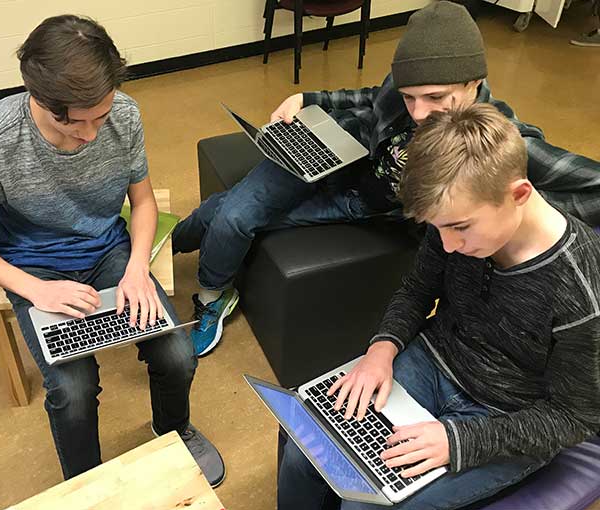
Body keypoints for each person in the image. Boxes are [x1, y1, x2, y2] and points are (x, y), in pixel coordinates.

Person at [172, 1, 600, 357]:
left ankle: (184, 262)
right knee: (233, 212)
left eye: (436, 99)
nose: (417, 112)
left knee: (231, 214)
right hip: (344, 150)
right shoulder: (406, 82)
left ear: (475, 84)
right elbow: (369, 97)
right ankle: (156, 246)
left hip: (364, 205)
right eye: (410, 97)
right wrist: (311, 99)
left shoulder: (499, 141)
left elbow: (584, 186)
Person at [0, 15, 225, 486]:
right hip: (33, 267)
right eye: (72, 122)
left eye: (101, 117)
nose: (91, 134)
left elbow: (144, 201)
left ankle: (172, 430)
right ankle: (85, 482)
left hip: (109, 248)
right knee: (72, 388)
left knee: (175, 352)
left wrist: (136, 268)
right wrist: (37, 291)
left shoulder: (126, 115)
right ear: (37, 97)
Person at [276, 103, 600, 510]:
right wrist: (381, 349)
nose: (447, 245)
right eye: (438, 228)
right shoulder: (454, 219)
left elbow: (574, 418)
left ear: (519, 194)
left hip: (506, 416)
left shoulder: (581, 287)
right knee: (308, 442)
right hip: (435, 361)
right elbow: (417, 289)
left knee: (365, 502)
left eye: (460, 228)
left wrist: (458, 441)